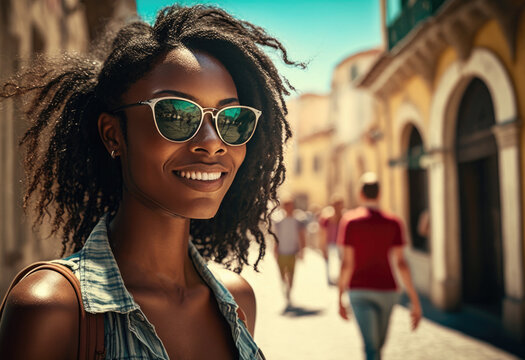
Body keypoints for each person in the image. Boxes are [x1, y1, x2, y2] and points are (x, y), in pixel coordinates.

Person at [0, 4, 302, 359]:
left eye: (231, 118)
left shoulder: (237, 300)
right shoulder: (51, 308)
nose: (213, 141)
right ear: (113, 135)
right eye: (177, 114)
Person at [337, 173, 422, 360]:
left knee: (375, 347)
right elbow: (401, 263)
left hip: (359, 290)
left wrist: (339, 296)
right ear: (380, 193)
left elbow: (346, 263)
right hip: (387, 290)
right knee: (373, 347)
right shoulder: (394, 222)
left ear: (361, 194)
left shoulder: (350, 222)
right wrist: (415, 302)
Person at [273, 198, 306, 306]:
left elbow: (301, 236)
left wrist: (302, 251)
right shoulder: (279, 221)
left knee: (291, 273)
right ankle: (285, 285)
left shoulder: (298, 221)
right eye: (287, 205)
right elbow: (275, 237)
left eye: (290, 205)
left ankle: (289, 290)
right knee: (282, 273)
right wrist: (275, 250)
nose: (289, 208)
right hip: (281, 251)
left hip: (292, 251)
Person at [319, 194, 345, 285]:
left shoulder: (345, 218)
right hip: (330, 243)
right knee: (329, 262)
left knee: (341, 262)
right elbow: (323, 233)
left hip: (341, 244)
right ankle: (330, 280)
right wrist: (323, 247)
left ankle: (340, 278)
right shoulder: (327, 218)